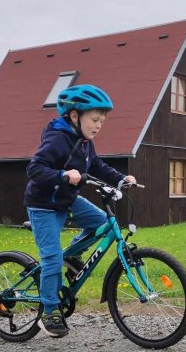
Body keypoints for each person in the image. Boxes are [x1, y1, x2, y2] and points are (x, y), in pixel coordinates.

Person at [24, 84, 136, 338]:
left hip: (68, 199)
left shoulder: (85, 142)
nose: (99, 126)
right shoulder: (57, 138)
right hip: (44, 205)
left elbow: (96, 165)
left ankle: (73, 255)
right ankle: (50, 311)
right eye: (94, 120)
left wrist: (120, 179)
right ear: (75, 116)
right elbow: (34, 169)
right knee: (52, 259)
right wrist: (63, 174)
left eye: (102, 121)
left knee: (103, 223)